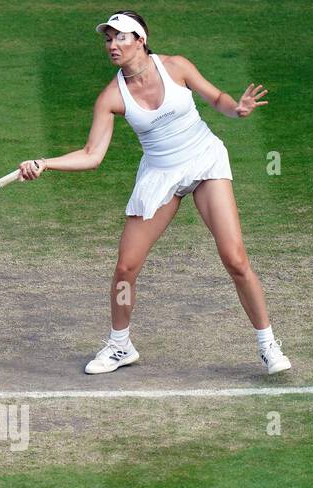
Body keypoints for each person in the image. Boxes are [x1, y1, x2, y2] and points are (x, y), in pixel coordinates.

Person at [17, 10, 292, 376]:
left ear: (141, 39)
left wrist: (237, 110)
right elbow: (91, 155)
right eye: (108, 39)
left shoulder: (176, 67)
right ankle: (120, 346)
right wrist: (45, 162)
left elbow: (216, 99)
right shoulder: (111, 97)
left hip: (204, 160)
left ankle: (267, 345)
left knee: (235, 258)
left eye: (121, 37)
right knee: (126, 266)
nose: (112, 45)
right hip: (160, 174)